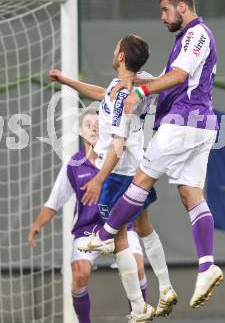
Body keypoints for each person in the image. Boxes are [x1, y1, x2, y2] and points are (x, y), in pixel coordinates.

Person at [83, 0, 224, 309]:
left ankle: (104, 236)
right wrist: (136, 84)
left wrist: (141, 92)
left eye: (165, 10)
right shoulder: (185, 40)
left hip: (184, 122)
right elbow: (166, 77)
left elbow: (177, 76)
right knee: (191, 194)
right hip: (200, 125)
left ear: (182, 8)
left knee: (142, 180)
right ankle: (206, 266)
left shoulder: (196, 34)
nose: (162, 17)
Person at [49, 34, 177, 322]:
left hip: (118, 174)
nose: (114, 48)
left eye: (116, 45)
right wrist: (68, 81)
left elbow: (117, 145)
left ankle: (138, 307)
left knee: (118, 236)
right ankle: (166, 287)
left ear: (120, 57)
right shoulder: (129, 83)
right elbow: (101, 92)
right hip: (135, 168)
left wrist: (98, 179)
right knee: (143, 226)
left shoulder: (124, 96)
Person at [28, 108, 148, 323]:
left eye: (98, 123)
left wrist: (141, 221)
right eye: (88, 124)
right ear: (80, 131)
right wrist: (37, 225)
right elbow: (53, 203)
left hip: (121, 227)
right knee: (80, 274)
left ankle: (140, 317)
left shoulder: (119, 157)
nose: (94, 127)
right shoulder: (73, 164)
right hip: (87, 229)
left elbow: (138, 193)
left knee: (137, 267)